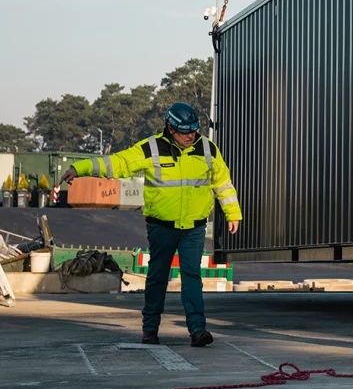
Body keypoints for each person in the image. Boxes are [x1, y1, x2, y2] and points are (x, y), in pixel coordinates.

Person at [61, 102, 242, 347]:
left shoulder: (207, 149)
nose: (190, 136)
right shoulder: (151, 149)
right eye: (184, 131)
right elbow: (117, 163)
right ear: (170, 128)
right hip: (162, 227)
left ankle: (198, 330)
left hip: (194, 227)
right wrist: (79, 168)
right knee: (157, 277)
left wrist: (233, 213)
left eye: (193, 130)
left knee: (192, 277)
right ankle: (150, 330)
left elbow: (222, 182)